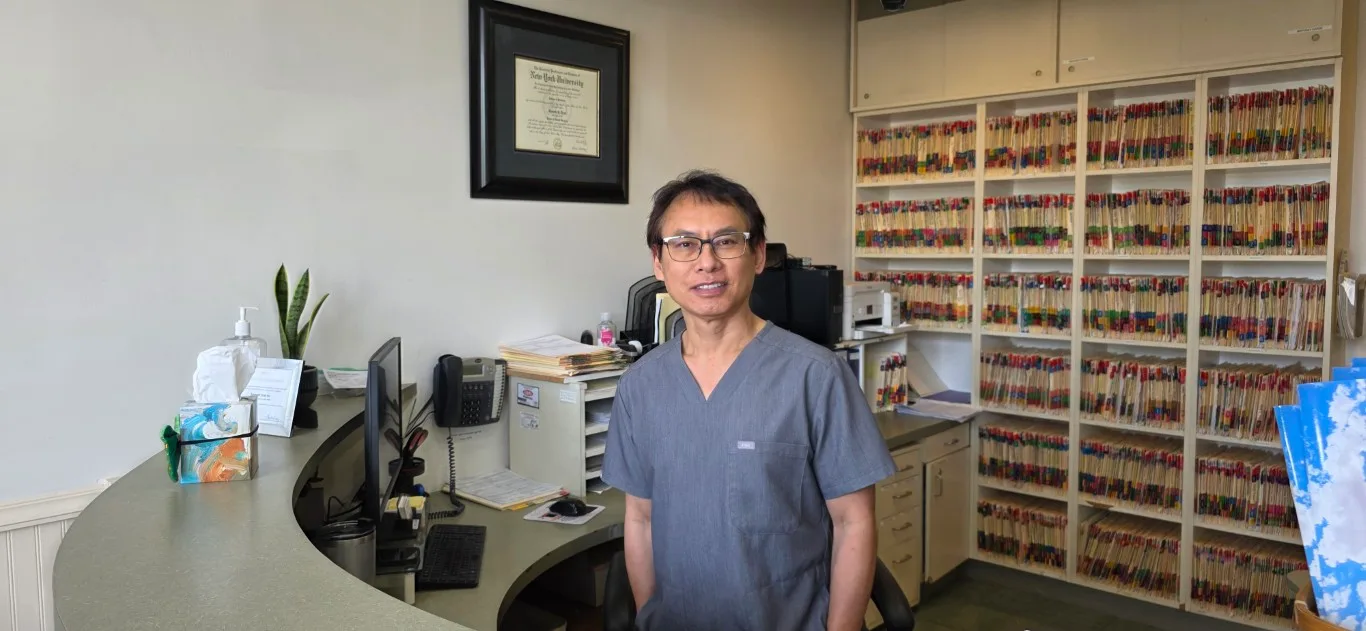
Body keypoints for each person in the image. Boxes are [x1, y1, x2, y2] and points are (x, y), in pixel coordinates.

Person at [602, 170, 897, 630]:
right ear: (659, 263)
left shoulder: (816, 376)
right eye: (684, 244)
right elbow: (640, 519)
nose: (707, 262)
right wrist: (650, 617)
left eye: (726, 242)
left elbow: (853, 523)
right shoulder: (639, 386)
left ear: (758, 255)